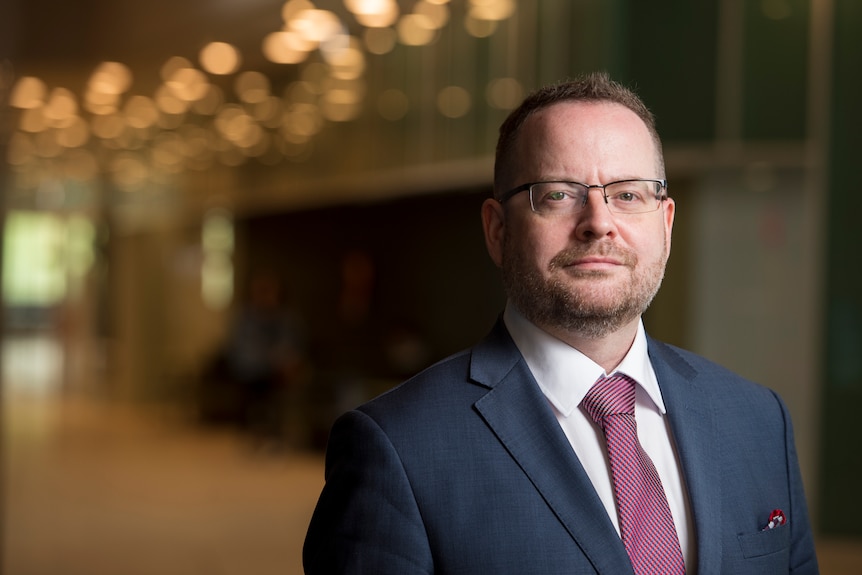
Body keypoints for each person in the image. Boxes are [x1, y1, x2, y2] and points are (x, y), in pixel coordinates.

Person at [302, 72, 819, 574]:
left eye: (628, 194)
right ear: (497, 230)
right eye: (558, 194)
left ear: (665, 225)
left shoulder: (757, 420)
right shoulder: (397, 448)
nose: (598, 221)